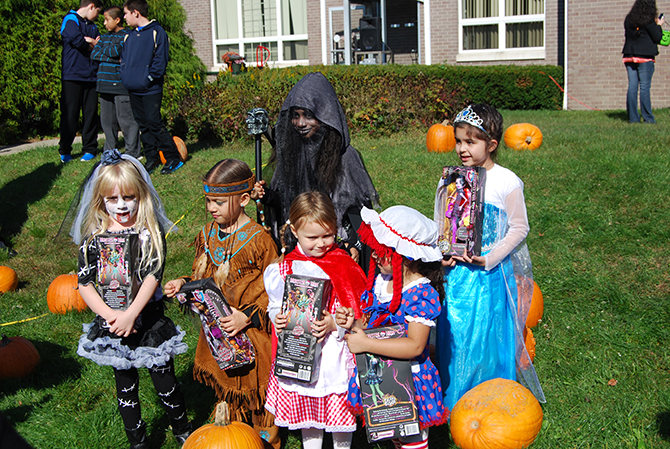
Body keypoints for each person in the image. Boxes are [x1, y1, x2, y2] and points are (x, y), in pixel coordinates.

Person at [71, 149, 191, 449]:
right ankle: (137, 442)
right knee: (126, 387)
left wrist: (132, 313)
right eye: (112, 199)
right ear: (101, 201)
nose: (121, 205)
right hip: (112, 322)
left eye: (129, 197)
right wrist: (112, 317)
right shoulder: (94, 238)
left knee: (166, 383)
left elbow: (153, 276)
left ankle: (183, 430)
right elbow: (84, 282)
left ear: (142, 196)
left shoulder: (150, 233)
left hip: (148, 319)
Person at [434, 104, 545, 411]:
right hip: (458, 276)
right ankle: (455, 402)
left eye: (471, 142)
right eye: (458, 141)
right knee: (457, 335)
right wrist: (442, 252)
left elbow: (520, 227)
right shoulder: (452, 180)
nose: (461, 149)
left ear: (492, 145)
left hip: (490, 275)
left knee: (488, 337)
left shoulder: (506, 181)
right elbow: (441, 223)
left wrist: (491, 257)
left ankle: (490, 401)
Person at [164, 159, 280, 449]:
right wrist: (183, 284)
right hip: (218, 333)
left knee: (256, 390)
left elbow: (277, 288)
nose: (211, 208)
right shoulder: (207, 235)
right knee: (227, 384)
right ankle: (234, 433)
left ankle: (265, 438)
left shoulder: (259, 239)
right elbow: (201, 277)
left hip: (252, 330)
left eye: (218, 202)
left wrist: (248, 317)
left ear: (243, 199)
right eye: (208, 201)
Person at [337, 205, 449, 449]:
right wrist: (352, 323)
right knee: (395, 440)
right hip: (383, 375)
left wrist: (366, 344)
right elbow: (367, 323)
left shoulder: (421, 294)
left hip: (411, 380)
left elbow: (416, 346)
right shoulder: (381, 281)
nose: (374, 256)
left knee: (412, 442)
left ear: (406, 255)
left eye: (382, 251)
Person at [263, 191, 368, 449]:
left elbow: (358, 311)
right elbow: (274, 304)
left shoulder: (344, 264)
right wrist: (277, 318)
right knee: (308, 416)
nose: (321, 243)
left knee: (338, 412)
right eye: (313, 237)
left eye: (328, 235)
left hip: (334, 353)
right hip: (300, 355)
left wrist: (335, 323)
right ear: (294, 231)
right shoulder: (284, 269)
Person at [254, 72, 379, 266]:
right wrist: (266, 195)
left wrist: (350, 244)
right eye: (296, 116)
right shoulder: (291, 152)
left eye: (308, 116)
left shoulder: (344, 157)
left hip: (332, 244)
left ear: (325, 116)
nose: (301, 124)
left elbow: (357, 214)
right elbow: (286, 201)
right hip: (301, 242)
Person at [121, 0, 183, 174]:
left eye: (126, 13)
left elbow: (160, 61)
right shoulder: (129, 35)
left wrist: (148, 78)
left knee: (154, 123)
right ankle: (151, 158)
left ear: (135, 13)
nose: (124, 18)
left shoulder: (157, 32)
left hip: (151, 89)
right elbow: (124, 60)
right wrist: (126, 77)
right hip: (133, 88)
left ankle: (172, 157)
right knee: (143, 125)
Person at [90, 6, 141, 158]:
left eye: (107, 20)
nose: (104, 23)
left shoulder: (128, 35)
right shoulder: (105, 37)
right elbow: (94, 54)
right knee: (107, 121)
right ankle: (110, 151)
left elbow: (115, 51)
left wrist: (104, 50)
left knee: (126, 120)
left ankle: (132, 152)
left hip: (120, 85)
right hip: (103, 84)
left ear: (117, 20)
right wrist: (110, 56)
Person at [59, 0, 102, 164]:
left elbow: (98, 47)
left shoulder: (92, 26)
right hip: (73, 76)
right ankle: (65, 150)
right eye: (97, 11)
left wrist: (91, 42)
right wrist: (91, 42)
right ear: (91, 6)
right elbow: (77, 41)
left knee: (90, 114)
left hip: (91, 77)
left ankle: (90, 149)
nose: (97, 16)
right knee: (70, 115)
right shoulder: (70, 20)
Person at [622, 0, 665, 124]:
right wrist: (659, 25)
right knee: (645, 88)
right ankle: (648, 118)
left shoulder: (628, 19)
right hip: (645, 57)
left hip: (629, 55)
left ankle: (633, 119)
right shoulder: (649, 20)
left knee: (632, 87)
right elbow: (657, 37)